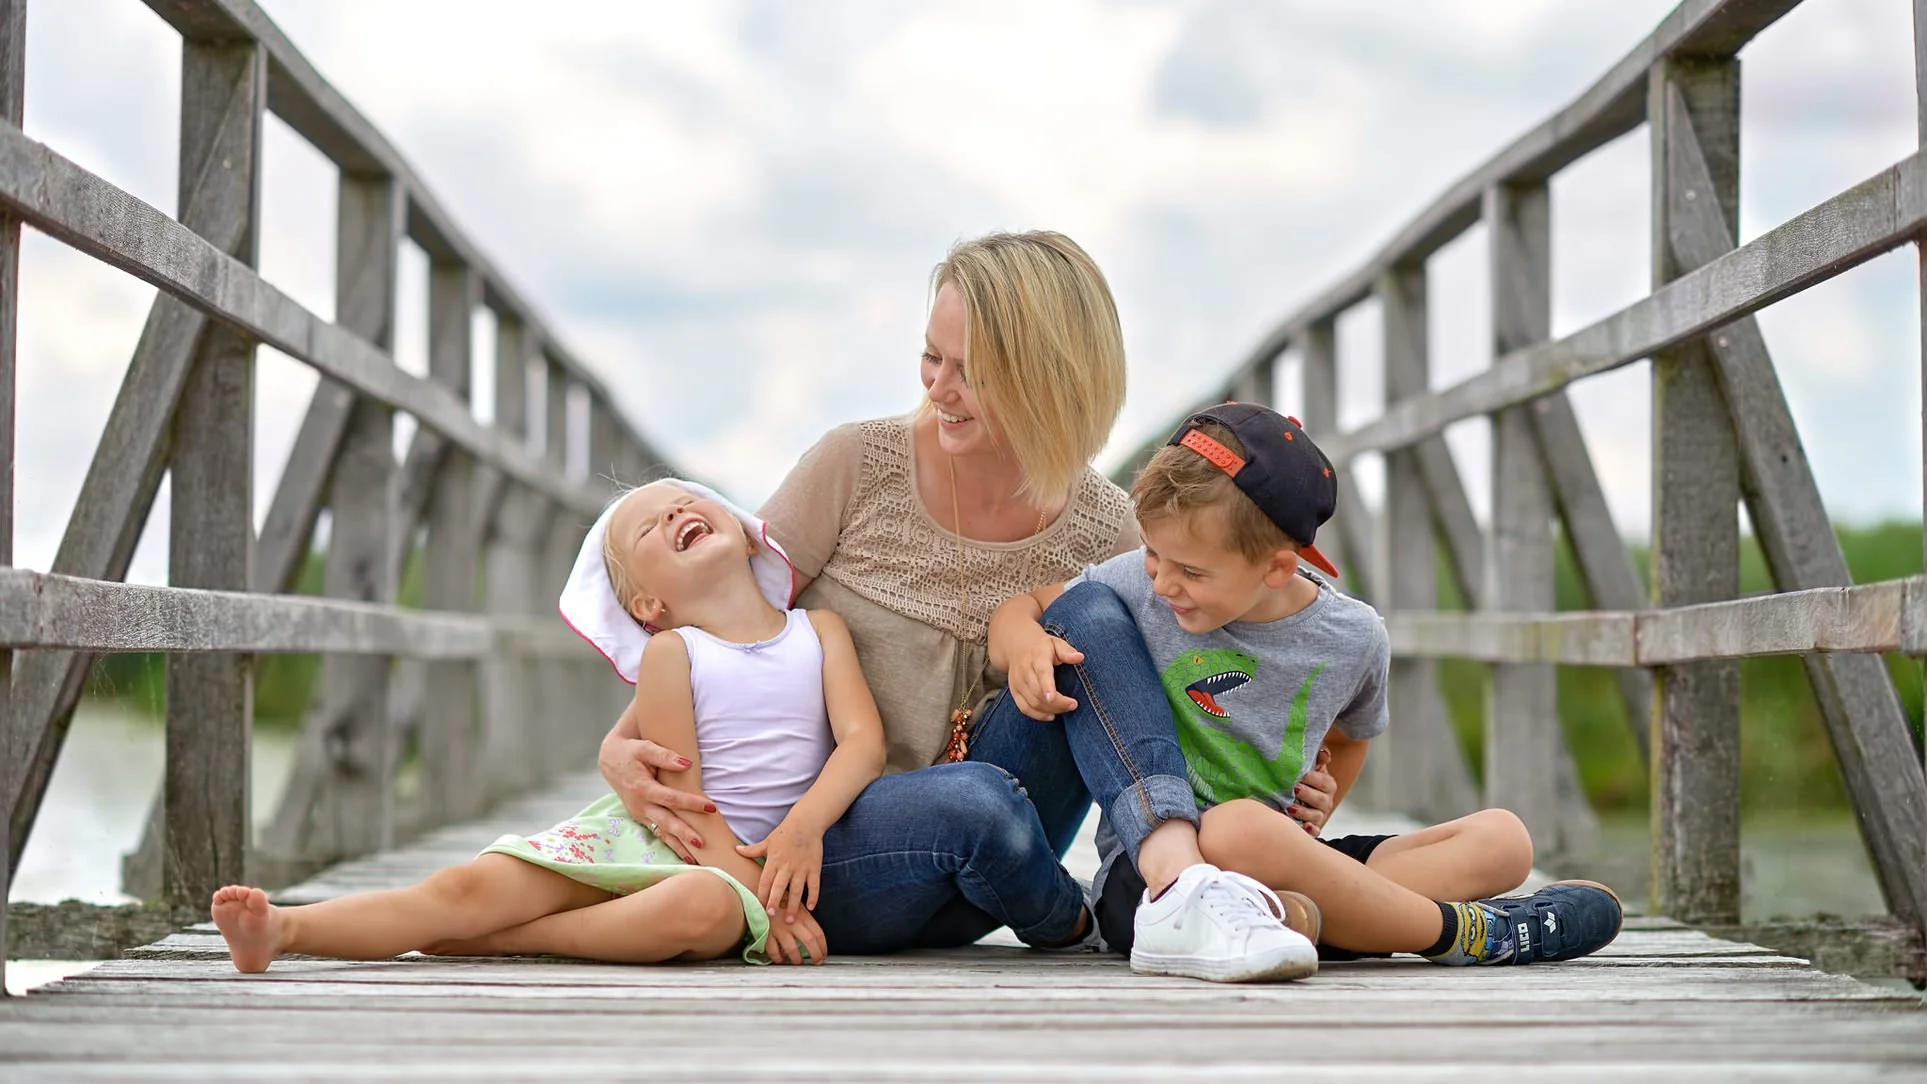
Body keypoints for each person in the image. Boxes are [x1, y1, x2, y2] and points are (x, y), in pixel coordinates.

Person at [595, 231, 1336, 980]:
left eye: (971, 373)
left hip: (1011, 858)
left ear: (1051, 377)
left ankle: (1179, 886)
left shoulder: (1110, 526)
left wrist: (1292, 761)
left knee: (1090, 615)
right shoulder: (852, 467)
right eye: (931, 358)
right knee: (971, 795)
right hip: (831, 857)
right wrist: (618, 746)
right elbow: (722, 630)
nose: (938, 389)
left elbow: (1191, 670)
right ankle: (1085, 914)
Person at [990, 402, 1626, 971]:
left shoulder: (1352, 637)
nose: (1161, 582)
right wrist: (1021, 636)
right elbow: (1030, 607)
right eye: (1154, 555)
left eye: (1189, 570)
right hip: (1152, 880)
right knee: (1236, 832)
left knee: (1503, 841)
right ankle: (1470, 933)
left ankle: (1311, 918)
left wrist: (1321, 805)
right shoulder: (1137, 585)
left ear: (1276, 567)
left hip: (1280, 848)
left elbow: (1350, 735)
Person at [208, 479, 886, 972]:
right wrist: (769, 908)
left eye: (685, 498)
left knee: (704, 914)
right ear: (647, 605)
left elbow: (863, 743)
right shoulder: (671, 655)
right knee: (464, 890)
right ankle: (284, 929)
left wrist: (798, 833)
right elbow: (687, 804)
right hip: (670, 843)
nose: (675, 509)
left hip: (714, 880)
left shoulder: (818, 631)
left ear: (743, 531)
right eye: (649, 526)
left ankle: (509, 939)